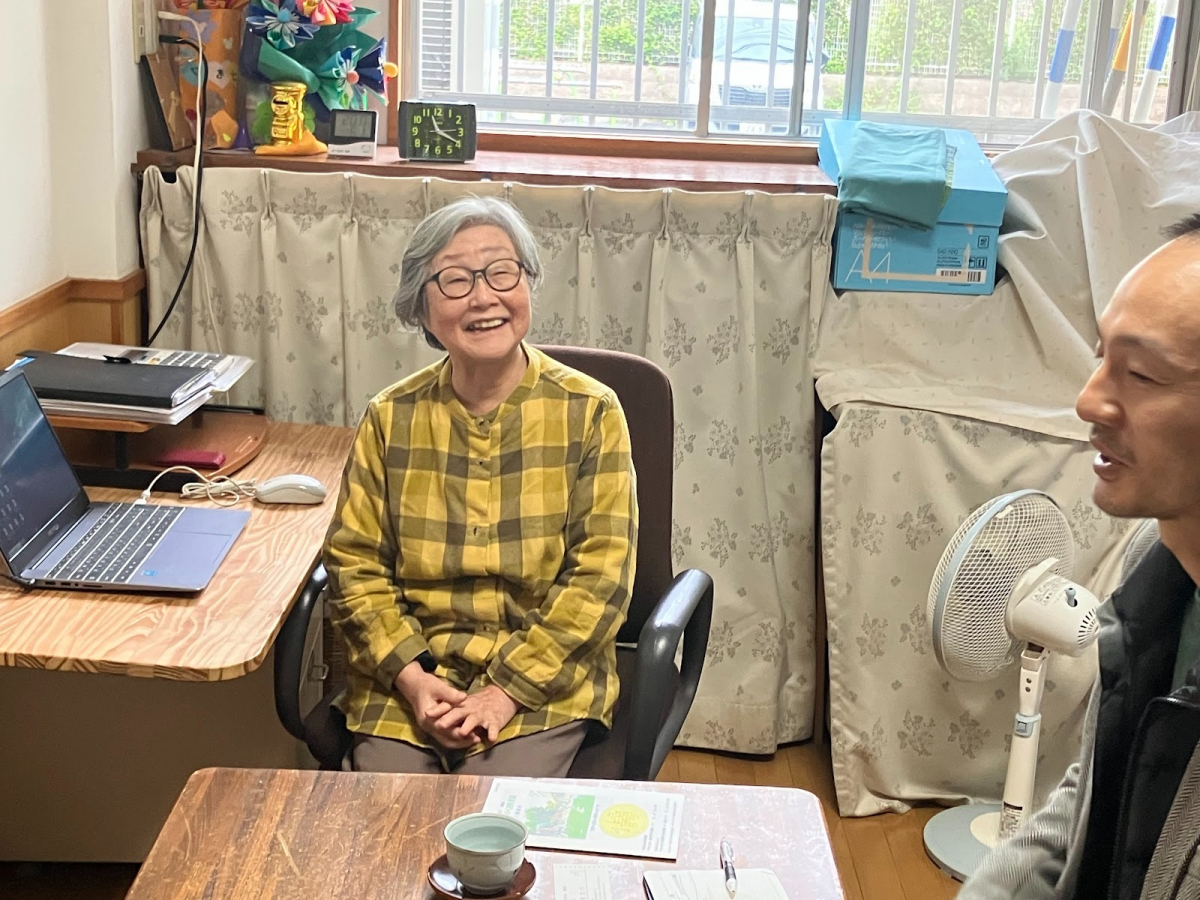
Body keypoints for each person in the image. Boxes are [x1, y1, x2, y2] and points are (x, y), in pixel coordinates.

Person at [323, 196, 638, 777]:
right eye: (455, 280)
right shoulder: (390, 417)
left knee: (489, 815)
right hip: (410, 685)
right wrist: (413, 680)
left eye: (501, 272)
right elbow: (355, 566)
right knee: (385, 816)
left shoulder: (592, 411)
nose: (483, 297)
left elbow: (600, 578)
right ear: (421, 309)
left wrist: (503, 693)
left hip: (541, 686)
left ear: (527, 284)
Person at [960, 214, 1200, 899]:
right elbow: (1097, 794)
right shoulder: (1158, 560)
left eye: (1141, 374)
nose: (1089, 399)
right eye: (1101, 358)